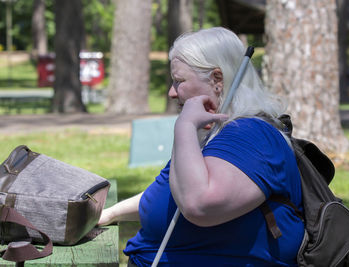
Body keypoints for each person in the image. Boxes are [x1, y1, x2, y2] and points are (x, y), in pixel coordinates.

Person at [98, 27, 304, 267]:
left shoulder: (250, 136)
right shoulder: (216, 133)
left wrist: (184, 125)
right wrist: (111, 213)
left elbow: (198, 204)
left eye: (179, 81)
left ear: (217, 79)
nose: (172, 92)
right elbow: (168, 192)